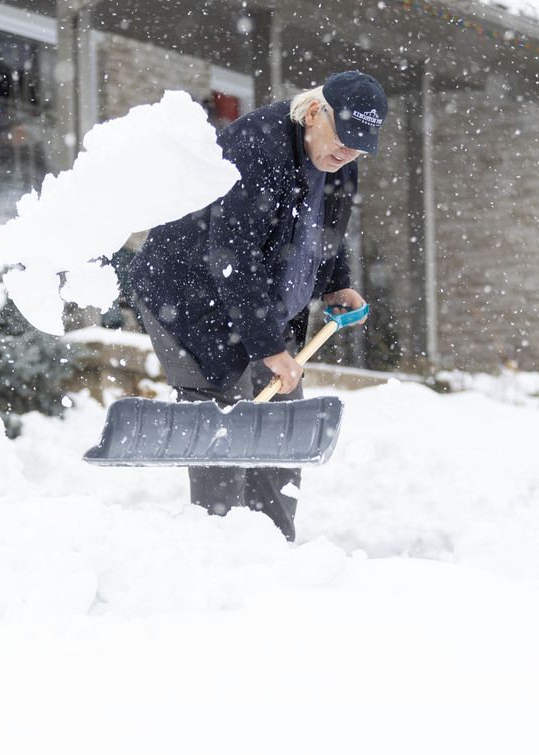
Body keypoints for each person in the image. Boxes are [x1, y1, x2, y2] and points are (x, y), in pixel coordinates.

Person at [128, 71, 388, 541]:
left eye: (359, 147)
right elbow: (233, 256)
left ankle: (274, 549)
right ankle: (221, 549)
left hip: (258, 302)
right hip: (191, 299)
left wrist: (336, 284)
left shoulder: (336, 157)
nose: (348, 154)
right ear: (314, 112)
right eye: (344, 141)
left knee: (281, 423)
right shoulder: (256, 147)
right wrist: (268, 345)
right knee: (222, 421)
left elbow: (325, 229)